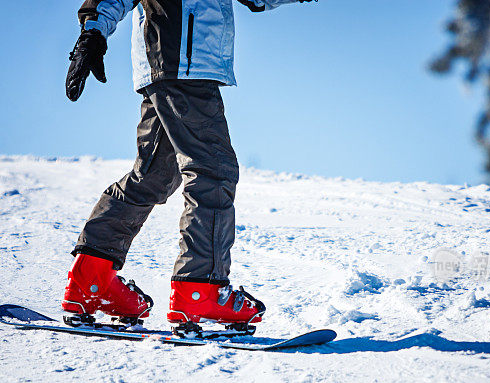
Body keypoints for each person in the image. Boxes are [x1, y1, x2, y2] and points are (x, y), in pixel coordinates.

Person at [62, 0, 314, 331]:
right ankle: (200, 288)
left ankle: (90, 280)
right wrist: (93, 32)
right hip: (182, 60)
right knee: (213, 171)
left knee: (152, 176)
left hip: (174, 66)